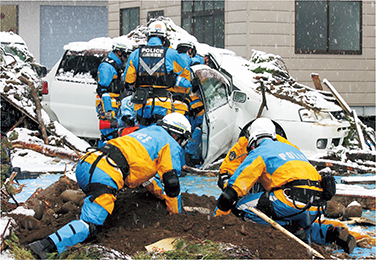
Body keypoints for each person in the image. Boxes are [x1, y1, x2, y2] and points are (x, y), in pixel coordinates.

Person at [28, 112, 191, 258]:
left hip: (89, 162)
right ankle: (43, 248)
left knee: (94, 212)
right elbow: (171, 183)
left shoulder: (147, 132)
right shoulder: (170, 143)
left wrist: (161, 195)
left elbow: (148, 180)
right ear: (177, 135)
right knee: (91, 226)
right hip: (106, 173)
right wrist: (175, 213)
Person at [213, 117, 356, 254]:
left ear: (252, 141)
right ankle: (330, 234)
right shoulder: (292, 149)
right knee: (300, 224)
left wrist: (221, 213)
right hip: (315, 205)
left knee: (241, 207)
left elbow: (237, 186)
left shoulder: (259, 151)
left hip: (290, 199)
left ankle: (288, 230)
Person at [124, 20, 192, 127]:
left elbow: (128, 79)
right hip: (163, 102)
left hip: (142, 103)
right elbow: (187, 79)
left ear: (148, 37)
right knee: (162, 135)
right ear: (164, 39)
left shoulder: (135, 54)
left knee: (143, 137)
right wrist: (175, 82)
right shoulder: (171, 54)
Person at [176, 41, 205, 166]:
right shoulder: (195, 62)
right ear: (190, 51)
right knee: (197, 130)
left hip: (176, 104)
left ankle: (181, 159)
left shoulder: (173, 61)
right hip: (196, 108)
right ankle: (192, 157)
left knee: (179, 132)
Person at [96, 42, 131, 146]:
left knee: (115, 129)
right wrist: (108, 110)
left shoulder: (115, 65)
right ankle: (104, 151)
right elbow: (103, 89)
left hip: (114, 100)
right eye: (124, 55)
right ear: (118, 52)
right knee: (109, 129)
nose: (125, 58)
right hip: (108, 101)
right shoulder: (107, 66)